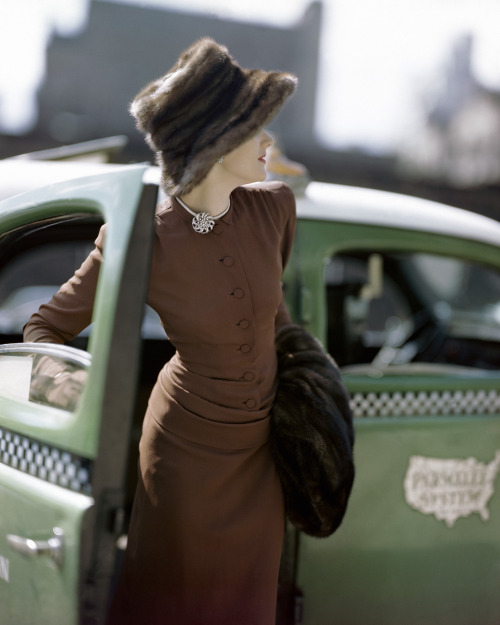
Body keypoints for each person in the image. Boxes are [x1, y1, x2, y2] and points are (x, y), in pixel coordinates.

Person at [23, 37, 298, 625]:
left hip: (260, 459)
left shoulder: (276, 208)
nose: (269, 141)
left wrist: (313, 403)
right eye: (256, 129)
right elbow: (44, 327)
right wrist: (79, 397)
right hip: (184, 459)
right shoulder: (144, 234)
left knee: (249, 605)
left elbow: (277, 322)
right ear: (217, 140)